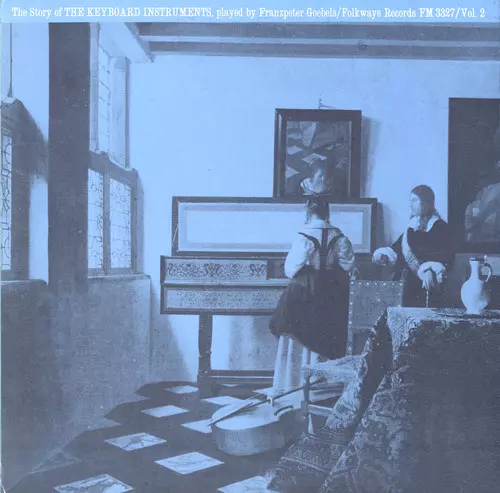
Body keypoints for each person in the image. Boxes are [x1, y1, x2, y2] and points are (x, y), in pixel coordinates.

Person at [269, 196, 356, 360]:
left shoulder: (304, 235)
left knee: (295, 323)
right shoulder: (339, 236)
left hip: (307, 286)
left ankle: (302, 369)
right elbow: (347, 265)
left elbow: (291, 269)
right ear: (327, 212)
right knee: (329, 327)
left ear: (309, 212)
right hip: (333, 285)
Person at [372, 185, 454, 308]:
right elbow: (397, 249)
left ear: (426, 202)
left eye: (414, 200)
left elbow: (445, 256)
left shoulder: (440, 227)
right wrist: (384, 255)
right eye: (410, 201)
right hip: (404, 284)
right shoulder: (411, 227)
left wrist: (430, 270)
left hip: (426, 286)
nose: (410, 205)